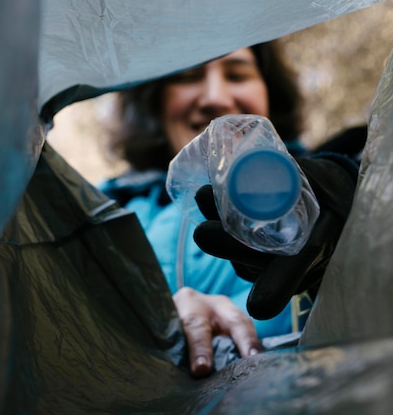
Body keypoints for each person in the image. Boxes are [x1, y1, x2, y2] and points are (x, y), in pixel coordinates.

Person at [100, 41, 311, 376]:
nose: (216, 97)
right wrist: (165, 321)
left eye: (238, 74)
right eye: (187, 76)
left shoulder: (328, 197)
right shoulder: (100, 218)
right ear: (155, 100)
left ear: (269, 92)